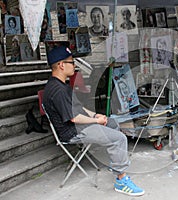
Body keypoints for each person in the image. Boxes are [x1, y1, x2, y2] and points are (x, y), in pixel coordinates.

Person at [43, 46, 145, 196]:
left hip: (79, 124)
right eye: (72, 62)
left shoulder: (62, 85)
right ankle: (121, 180)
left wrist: (97, 115)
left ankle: (116, 162)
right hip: (73, 131)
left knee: (112, 122)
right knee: (119, 138)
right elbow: (74, 117)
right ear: (61, 65)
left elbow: (80, 109)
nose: (75, 65)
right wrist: (95, 122)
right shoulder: (57, 90)